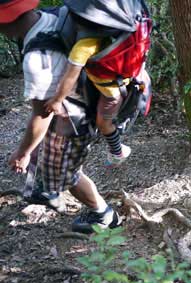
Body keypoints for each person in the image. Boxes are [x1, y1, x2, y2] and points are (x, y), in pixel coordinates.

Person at [1, 0, 121, 233]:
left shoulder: (36, 58)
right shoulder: (53, 17)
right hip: (85, 100)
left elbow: (42, 114)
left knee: (68, 174)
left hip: (76, 117)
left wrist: (22, 153)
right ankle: (46, 188)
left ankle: (104, 215)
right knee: (50, 152)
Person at [44, 17, 131, 167]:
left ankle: (118, 152)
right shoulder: (117, 26)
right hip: (122, 76)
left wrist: (57, 100)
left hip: (112, 93)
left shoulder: (84, 46)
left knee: (103, 123)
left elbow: (71, 76)